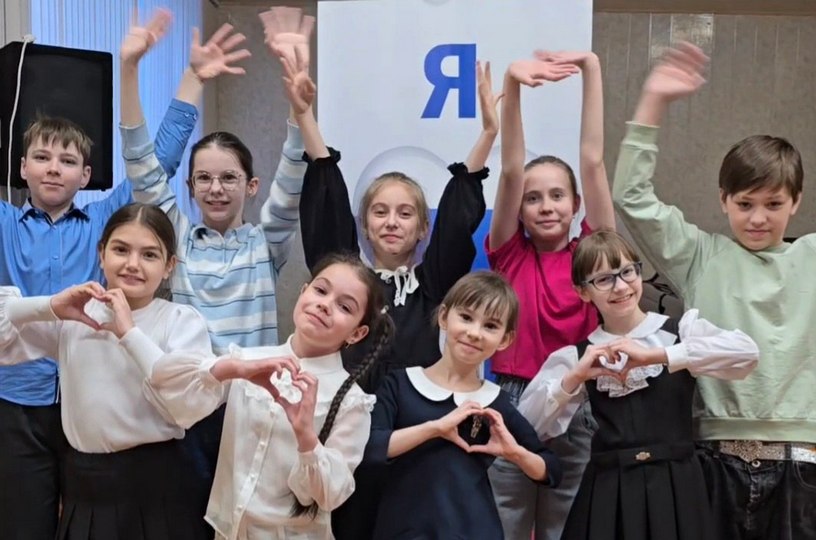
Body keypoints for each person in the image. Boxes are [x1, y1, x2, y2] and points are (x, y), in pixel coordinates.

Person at [0, 15, 199, 540]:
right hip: (15, 401)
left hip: (87, 396)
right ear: (21, 167)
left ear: (86, 176)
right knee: (22, 523)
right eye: (41, 157)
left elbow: (156, 161)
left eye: (67, 160)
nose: (53, 167)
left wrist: (191, 81)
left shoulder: (107, 221)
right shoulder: (3, 223)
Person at [612, 42, 816, 539]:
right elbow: (631, 198)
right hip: (713, 455)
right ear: (723, 200)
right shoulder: (701, 255)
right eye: (745, 203)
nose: (758, 217)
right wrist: (653, 102)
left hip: (802, 456)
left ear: (796, 201)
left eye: (774, 204)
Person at [519, 229, 759, 540]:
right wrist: (574, 378)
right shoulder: (578, 356)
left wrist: (658, 356)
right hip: (610, 492)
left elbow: (747, 354)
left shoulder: (679, 331)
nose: (620, 286)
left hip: (679, 486)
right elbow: (527, 426)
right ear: (583, 292)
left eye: (627, 271)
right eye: (604, 279)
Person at [0, 202, 214, 539]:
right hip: (85, 486)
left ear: (169, 265)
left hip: (159, 486)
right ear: (101, 254)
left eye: (149, 255)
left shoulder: (181, 320)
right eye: (120, 249)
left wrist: (130, 334)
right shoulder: (77, 316)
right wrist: (49, 306)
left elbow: (187, 407)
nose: (132, 264)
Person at [146, 252, 395, 540]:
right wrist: (234, 368)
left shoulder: (352, 401)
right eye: (320, 290)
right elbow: (165, 384)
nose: (325, 305)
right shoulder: (250, 361)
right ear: (303, 292)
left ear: (357, 333)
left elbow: (330, 495)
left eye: (344, 307)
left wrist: (306, 436)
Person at [487, 51, 614, 540]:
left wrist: (591, 68)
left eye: (557, 195)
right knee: (505, 526)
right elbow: (510, 170)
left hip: (578, 399)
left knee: (568, 528)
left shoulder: (591, 255)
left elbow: (593, 162)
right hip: (512, 399)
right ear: (519, 210)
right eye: (533, 198)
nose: (545, 206)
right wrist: (512, 87)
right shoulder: (508, 254)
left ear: (576, 204)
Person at [365, 271, 561, 539]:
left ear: (505, 339)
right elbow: (369, 448)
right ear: (444, 316)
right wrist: (435, 428)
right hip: (402, 528)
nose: (474, 333)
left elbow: (551, 470)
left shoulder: (495, 402)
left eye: (490, 326)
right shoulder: (399, 384)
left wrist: (514, 453)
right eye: (466, 317)